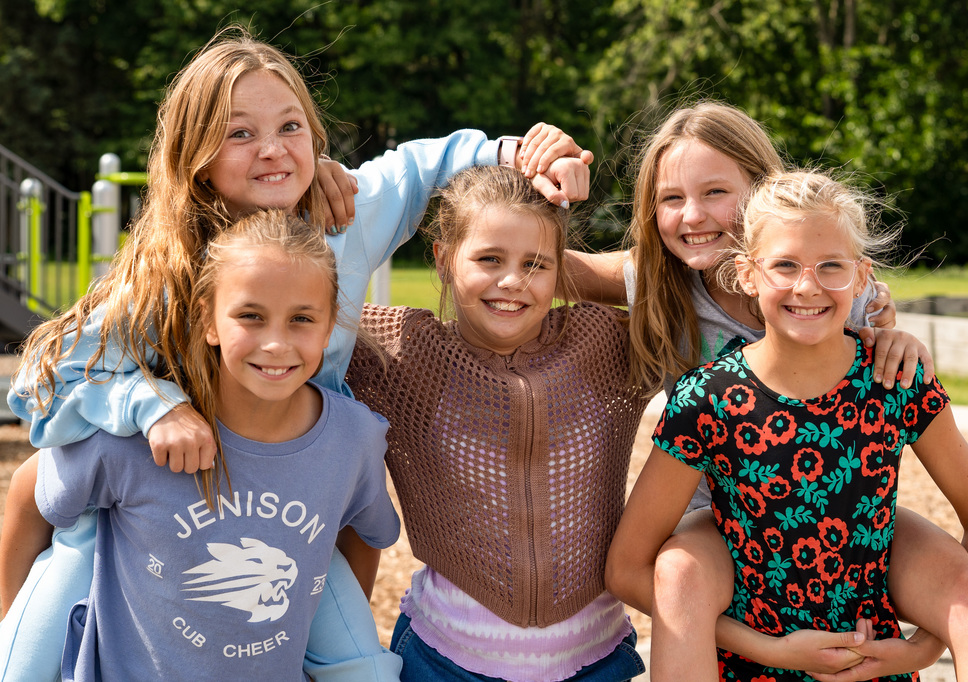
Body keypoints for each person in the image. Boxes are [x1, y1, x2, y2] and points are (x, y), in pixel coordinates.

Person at [0, 27, 590, 681]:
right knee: (50, 597)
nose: (273, 149)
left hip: (295, 488)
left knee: (354, 641)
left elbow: (421, 166)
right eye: (240, 133)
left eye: (290, 127)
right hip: (169, 498)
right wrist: (155, 403)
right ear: (196, 156)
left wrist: (524, 153)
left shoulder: (342, 218)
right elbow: (50, 381)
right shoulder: (170, 266)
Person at [607, 169, 968, 681]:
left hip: (870, 661)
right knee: (678, 568)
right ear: (747, 274)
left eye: (831, 266)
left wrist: (922, 648)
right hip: (752, 662)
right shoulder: (707, 400)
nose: (807, 286)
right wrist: (772, 650)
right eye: (785, 265)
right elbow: (627, 568)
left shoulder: (894, 379)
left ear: (862, 276)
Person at [0, 209, 402, 679]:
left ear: (330, 325)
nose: (276, 343)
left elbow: (362, 532)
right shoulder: (138, 440)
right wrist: (13, 627)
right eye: (251, 316)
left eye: (301, 319)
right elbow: (30, 496)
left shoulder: (354, 439)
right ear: (208, 319)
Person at [341, 164, 648, 681]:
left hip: (595, 661)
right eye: (489, 258)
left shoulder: (601, 342)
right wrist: (322, 181)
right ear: (444, 259)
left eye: (535, 264)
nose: (511, 281)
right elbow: (287, 290)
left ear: (562, 270)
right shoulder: (404, 353)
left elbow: (685, 280)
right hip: (444, 660)